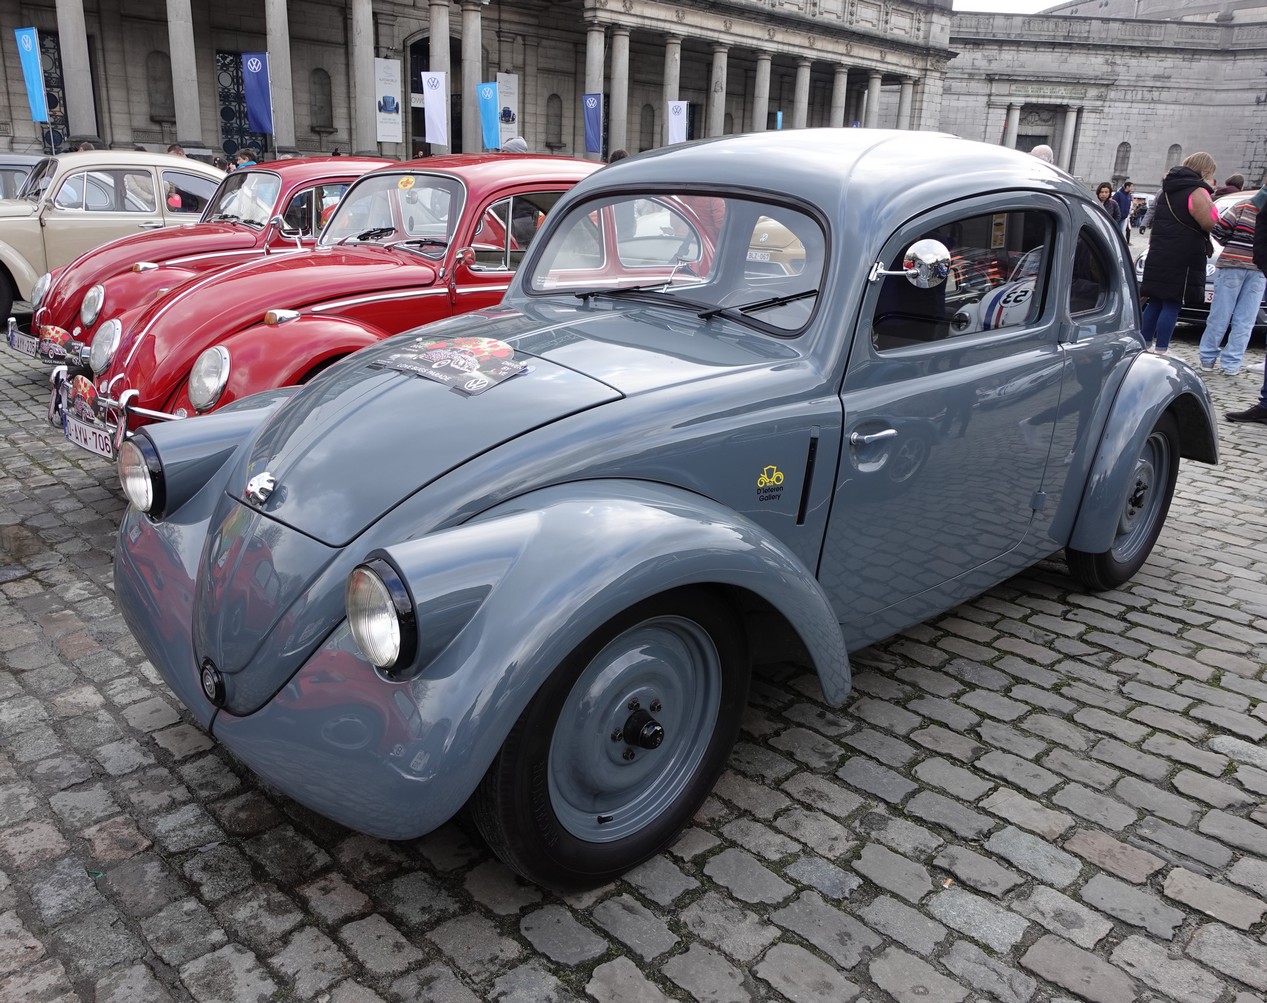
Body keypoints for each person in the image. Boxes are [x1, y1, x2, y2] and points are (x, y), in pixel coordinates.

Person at [1138, 152, 1218, 355]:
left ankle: (1144, 344)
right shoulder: (1197, 191)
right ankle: (1162, 349)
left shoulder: (1166, 188)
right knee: (1173, 302)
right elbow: (1209, 222)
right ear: (1205, 170)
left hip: (1160, 250)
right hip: (1183, 254)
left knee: (1155, 300)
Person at [1197, 183, 1263, 376]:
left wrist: (1234, 244)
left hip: (1232, 263)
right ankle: (1232, 364)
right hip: (1259, 269)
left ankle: (1207, 359)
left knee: (1220, 314)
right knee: (1246, 319)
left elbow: (1219, 231)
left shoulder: (1242, 206)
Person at [1224, 185, 1267, 424]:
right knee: (1237, 318)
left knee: (1241, 319)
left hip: (1248, 266)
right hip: (1253, 264)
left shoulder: (1247, 203)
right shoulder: (1251, 201)